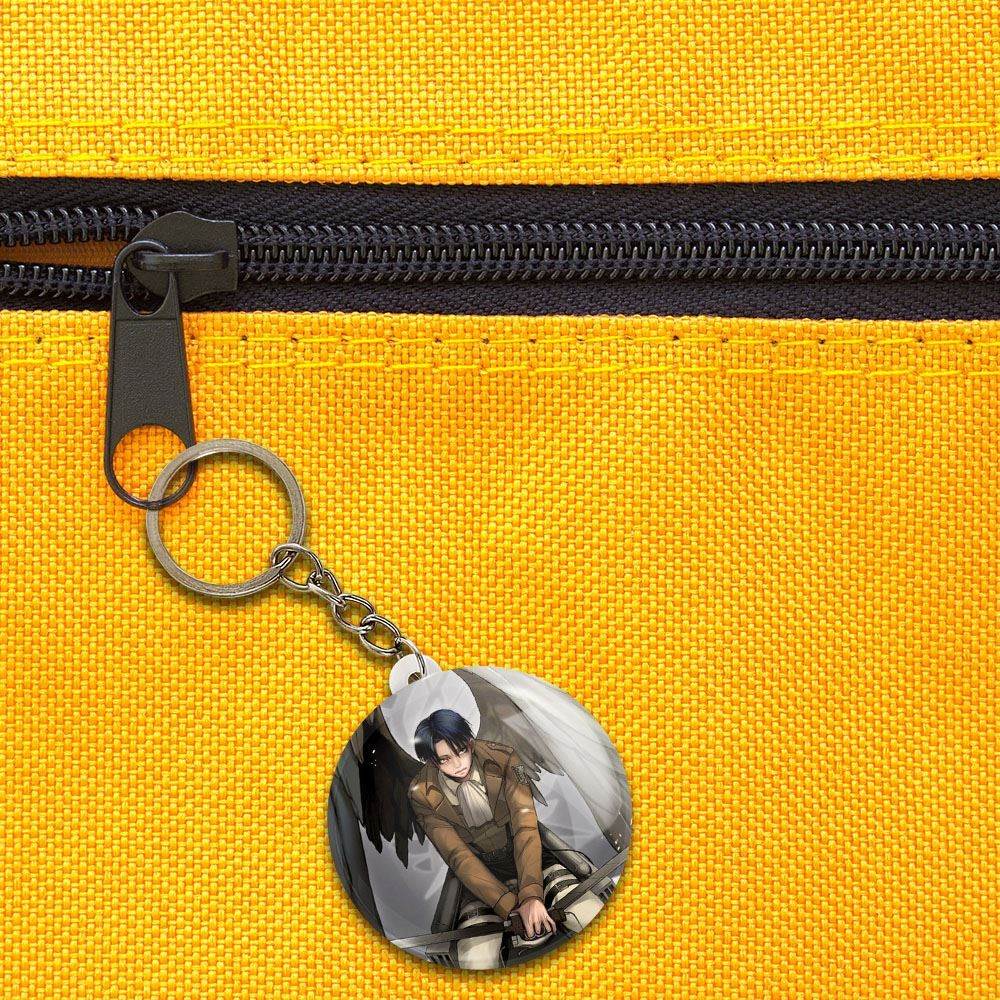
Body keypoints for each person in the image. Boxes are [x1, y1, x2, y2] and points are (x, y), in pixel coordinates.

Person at [408, 709, 602, 969]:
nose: (458, 764)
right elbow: (458, 856)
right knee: (476, 956)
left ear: (469, 743)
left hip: (531, 858)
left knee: (587, 911)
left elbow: (525, 826)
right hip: (478, 878)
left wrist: (531, 896)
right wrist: (511, 907)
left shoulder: (506, 757)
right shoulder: (420, 793)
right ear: (432, 761)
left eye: (461, 751)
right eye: (445, 759)